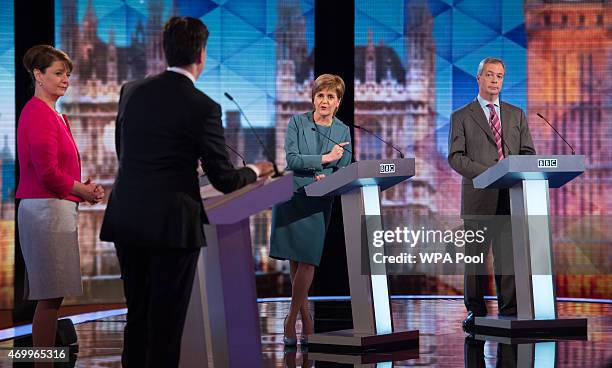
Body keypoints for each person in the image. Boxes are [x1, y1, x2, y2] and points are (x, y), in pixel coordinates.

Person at [99, 17, 272, 367]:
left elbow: (124, 151)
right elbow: (223, 178)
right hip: (172, 226)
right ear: (201, 55)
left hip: (127, 218)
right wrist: (256, 170)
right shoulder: (203, 107)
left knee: (138, 317)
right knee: (166, 324)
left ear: (165, 50)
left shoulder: (131, 90)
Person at [16, 45, 104, 365]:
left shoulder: (55, 114)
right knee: (49, 298)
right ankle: (43, 363)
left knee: (53, 297)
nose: (65, 79)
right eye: (57, 73)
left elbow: (59, 173)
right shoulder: (37, 112)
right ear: (38, 76)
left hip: (56, 210)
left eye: (67, 74)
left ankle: (45, 362)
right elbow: (49, 174)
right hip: (45, 212)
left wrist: (83, 189)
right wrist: (84, 190)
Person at [448, 57, 536, 331]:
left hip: (510, 199)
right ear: (479, 78)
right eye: (489, 75)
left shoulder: (516, 114)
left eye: (499, 76)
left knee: (507, 259)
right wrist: (490, 172)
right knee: (475, 260)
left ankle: (509, 312)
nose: (495, 80)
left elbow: (528, 153)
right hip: (479, 199)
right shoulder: (461, 116)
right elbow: (456, 158)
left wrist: (512, 170)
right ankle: (475, 311)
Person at [270, 74, 352, 346]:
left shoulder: (343, 131)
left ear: (338, 102)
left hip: (320, 199)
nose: (324, 101)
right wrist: (325, 160)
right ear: (313, 98)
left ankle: (290, 318)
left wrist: (330, 175)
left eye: (330, 96)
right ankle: (306, 321)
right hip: (293, 196)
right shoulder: (297, 122)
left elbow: (345, 165)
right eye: (320, 95)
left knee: (308, 260)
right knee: (297, 261)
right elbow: (292, 159)